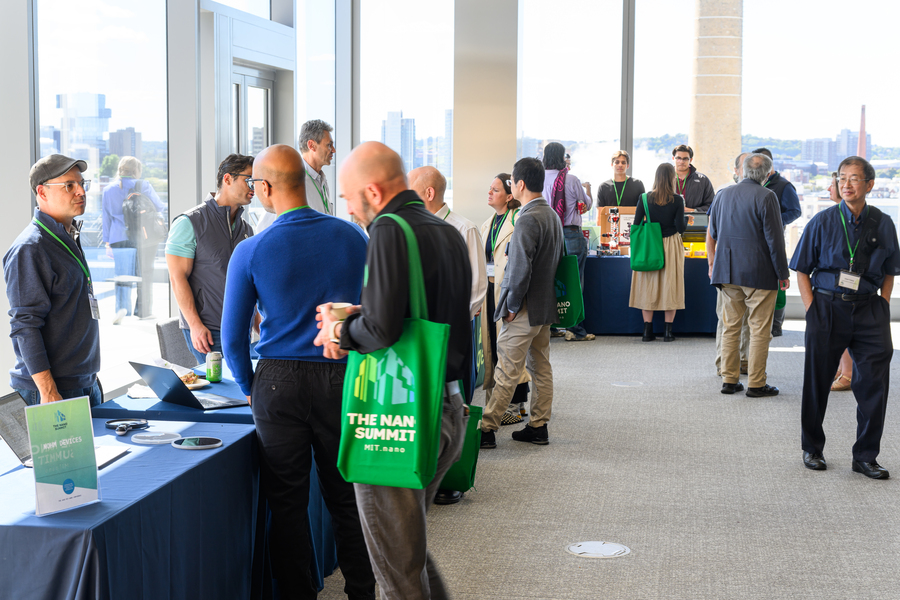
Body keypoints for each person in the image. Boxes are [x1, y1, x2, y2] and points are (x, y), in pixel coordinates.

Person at [315, 141, 470, 599]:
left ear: (372, 192)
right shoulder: (444, 229)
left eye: (347, 198)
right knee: (407, 555)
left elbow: (380, 330)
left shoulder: (388, 229)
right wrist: (362, 310)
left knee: (396, 574)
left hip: (399, 416)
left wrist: (341, 334)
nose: (348, 209)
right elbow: (422, 316)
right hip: (448, 405)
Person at [221, 144, 376, 599]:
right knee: (348, 498)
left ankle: (298, 592)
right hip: (342, 373)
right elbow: (374, 311)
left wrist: (249, 387)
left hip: (277, 384)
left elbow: (232, 339)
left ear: (264, 188)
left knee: (286, 504)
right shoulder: (353, 237)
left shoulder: (250, 250)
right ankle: (363, 592)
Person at [790, 156, 900, 479]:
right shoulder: (822, 221)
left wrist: (883, 302)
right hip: (827, 308)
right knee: (817, 381)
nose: (846, 184)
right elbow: (801, 269)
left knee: (874, 385)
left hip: (869, 310)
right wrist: (812, 310)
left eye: (854, 178)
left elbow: (891, 269)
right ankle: (812, 448)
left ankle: (865, 456)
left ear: (869, 184)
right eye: (842, 178)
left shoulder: (883, 222)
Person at [409, 165, 487, 506]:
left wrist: (450, 321)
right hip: (421, 335)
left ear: (428, 193)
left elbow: (477, 287)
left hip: (453, 332)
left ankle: (452, 476)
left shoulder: (463, 228)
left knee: (457, 402)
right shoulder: (409, 230)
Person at [4, 154, 101, 406]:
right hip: (53, 392)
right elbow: (25, 325)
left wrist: (91, 378)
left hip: (84, 382)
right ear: (42, 192)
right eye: (69, 185)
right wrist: (48, 391)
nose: (80, 191)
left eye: (82, 183)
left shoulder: (67, 237)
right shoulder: (31, 248)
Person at [480, 157, 564, 448]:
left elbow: (519, 270)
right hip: (544, 306)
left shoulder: (527, 218)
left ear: (520, 184)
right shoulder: (551, 215)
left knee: (507, 368)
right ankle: (538, 425)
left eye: (511, 182)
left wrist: (511, 306)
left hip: (524, 308)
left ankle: (487, 428)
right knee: (541, 366)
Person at [707, 153, 790, 397]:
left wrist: (714, 264)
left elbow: (713, 231)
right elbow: (775, 240)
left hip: (727, 270)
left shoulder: (722, 195)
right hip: (759, 273)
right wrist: (783, 273)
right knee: (759, 329)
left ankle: (730, 380)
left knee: (730, 327)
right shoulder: (768, 196)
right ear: (768, 174)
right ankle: (756, 383)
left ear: (742, 170)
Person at [166, 154, 255, 365]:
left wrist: (258, 321)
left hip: (242, 328)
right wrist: (195, 325)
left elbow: (249, 281)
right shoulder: (189, 222)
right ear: (227, 179)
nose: (254, 188)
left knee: (240, 393)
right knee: (221, 392)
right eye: (249, 180)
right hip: (208, 330)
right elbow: (177, 278)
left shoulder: (247, 229)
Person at [480, 174, 531, 426]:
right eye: (489, 189)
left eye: (495, 189)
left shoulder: (518, 219)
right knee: (494, 346)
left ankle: (518, 406)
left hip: (508, 290)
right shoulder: (487, 222)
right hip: (489, 290)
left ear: (509, 195)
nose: (489, 193)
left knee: (511, 352)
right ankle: (500, 401)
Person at [101, 156, 165, 323]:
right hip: (141, 236)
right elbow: (159, 206)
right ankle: (143, 311)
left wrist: (107, 242)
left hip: (118, 236)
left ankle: (122, 308)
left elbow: (106, 218)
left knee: (122, 274)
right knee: (145, 272)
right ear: (137, 171)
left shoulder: (108, 190)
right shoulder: (143, 185)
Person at [541, 142, 594, 342]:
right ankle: (575, 329)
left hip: (547, 236)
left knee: (548, 281)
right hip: (571, 234)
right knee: (574, 282)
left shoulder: (538, 179)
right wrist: (588, 190)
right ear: (563, 157)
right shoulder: (571, 180)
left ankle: (550, 326)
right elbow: (585, 205)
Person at [628, 163, 686, 342]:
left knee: (648, 284)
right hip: (671, 244)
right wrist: (685, 219)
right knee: (671, 284)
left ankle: (647, 331)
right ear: (671, 178)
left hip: (650, 245)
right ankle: (668, 332)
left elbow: (636, 224)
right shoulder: (677, 199)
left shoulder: (644, 198)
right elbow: (680, 228)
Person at [752, 148, 802, 337]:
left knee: (778, 283)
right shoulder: (751, 183)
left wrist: (773, 219)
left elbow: (795, 211)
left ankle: (776, 325)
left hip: (773, 240)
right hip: (752, 241)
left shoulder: (784, 185)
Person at [714, 152, 751, 376]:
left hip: (753, 269)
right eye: (744, 166)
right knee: (728, 320)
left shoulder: (764, 194)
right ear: (736, 170)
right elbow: (713, 231)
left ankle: (745, 361)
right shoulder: (723, 193)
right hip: (727, 266)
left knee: (748, 321)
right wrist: (711, 261)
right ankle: (724, 364)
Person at [825, 172, 853, 392]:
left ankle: (849, 374)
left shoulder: (852, 215)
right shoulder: (832, 215)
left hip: (849, 286)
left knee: (842, 331)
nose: (828, 189)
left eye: (831, 185)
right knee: (834, 331)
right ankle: (841, 368)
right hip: (833, 285)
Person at [672, 144, 715, 213]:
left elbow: (712, 205)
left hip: (695, 221)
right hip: (670, 221)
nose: (681, 161)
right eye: (678, 158)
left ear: (691, 160)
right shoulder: (665, 179)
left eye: (685, 159)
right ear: (673, 159)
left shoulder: (703, 180)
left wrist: (693, 211)